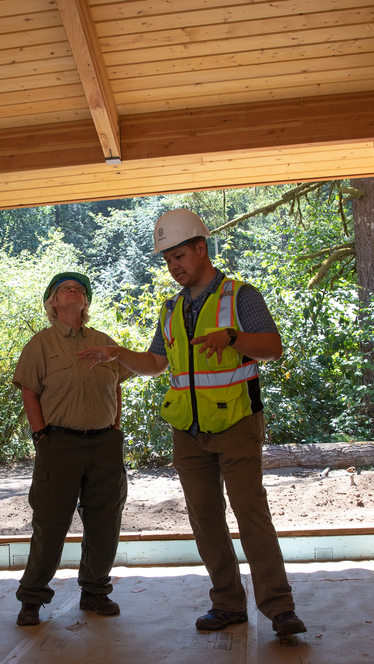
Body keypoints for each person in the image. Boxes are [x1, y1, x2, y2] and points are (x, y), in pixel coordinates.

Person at [79, 209, 306, 637]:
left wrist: (234, 338)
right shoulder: (171, 309)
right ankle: (227, 605)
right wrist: (117, 353)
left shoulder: (240, 297)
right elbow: (156, 364)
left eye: (179, 256)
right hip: (187, 431)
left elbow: (273, 348)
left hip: (237, 422)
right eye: (167, 260)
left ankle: (279, 609)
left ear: (201, 249)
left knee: (251, 516)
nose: (174, 267)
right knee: (205, 519)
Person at [12, 272, 133, 626]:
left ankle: (95, 591)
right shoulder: (41, 344)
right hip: (58, 443)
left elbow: (117, 386)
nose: (73, 290)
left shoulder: (105, 341)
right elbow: (29, 391)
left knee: (105, 519)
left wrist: (114, 428)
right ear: (52, 302)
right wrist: (41, 436)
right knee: (50, 522)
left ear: (86, 303)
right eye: (65, 288)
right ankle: (32, 597)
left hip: (104, 444)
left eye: (79, 289)